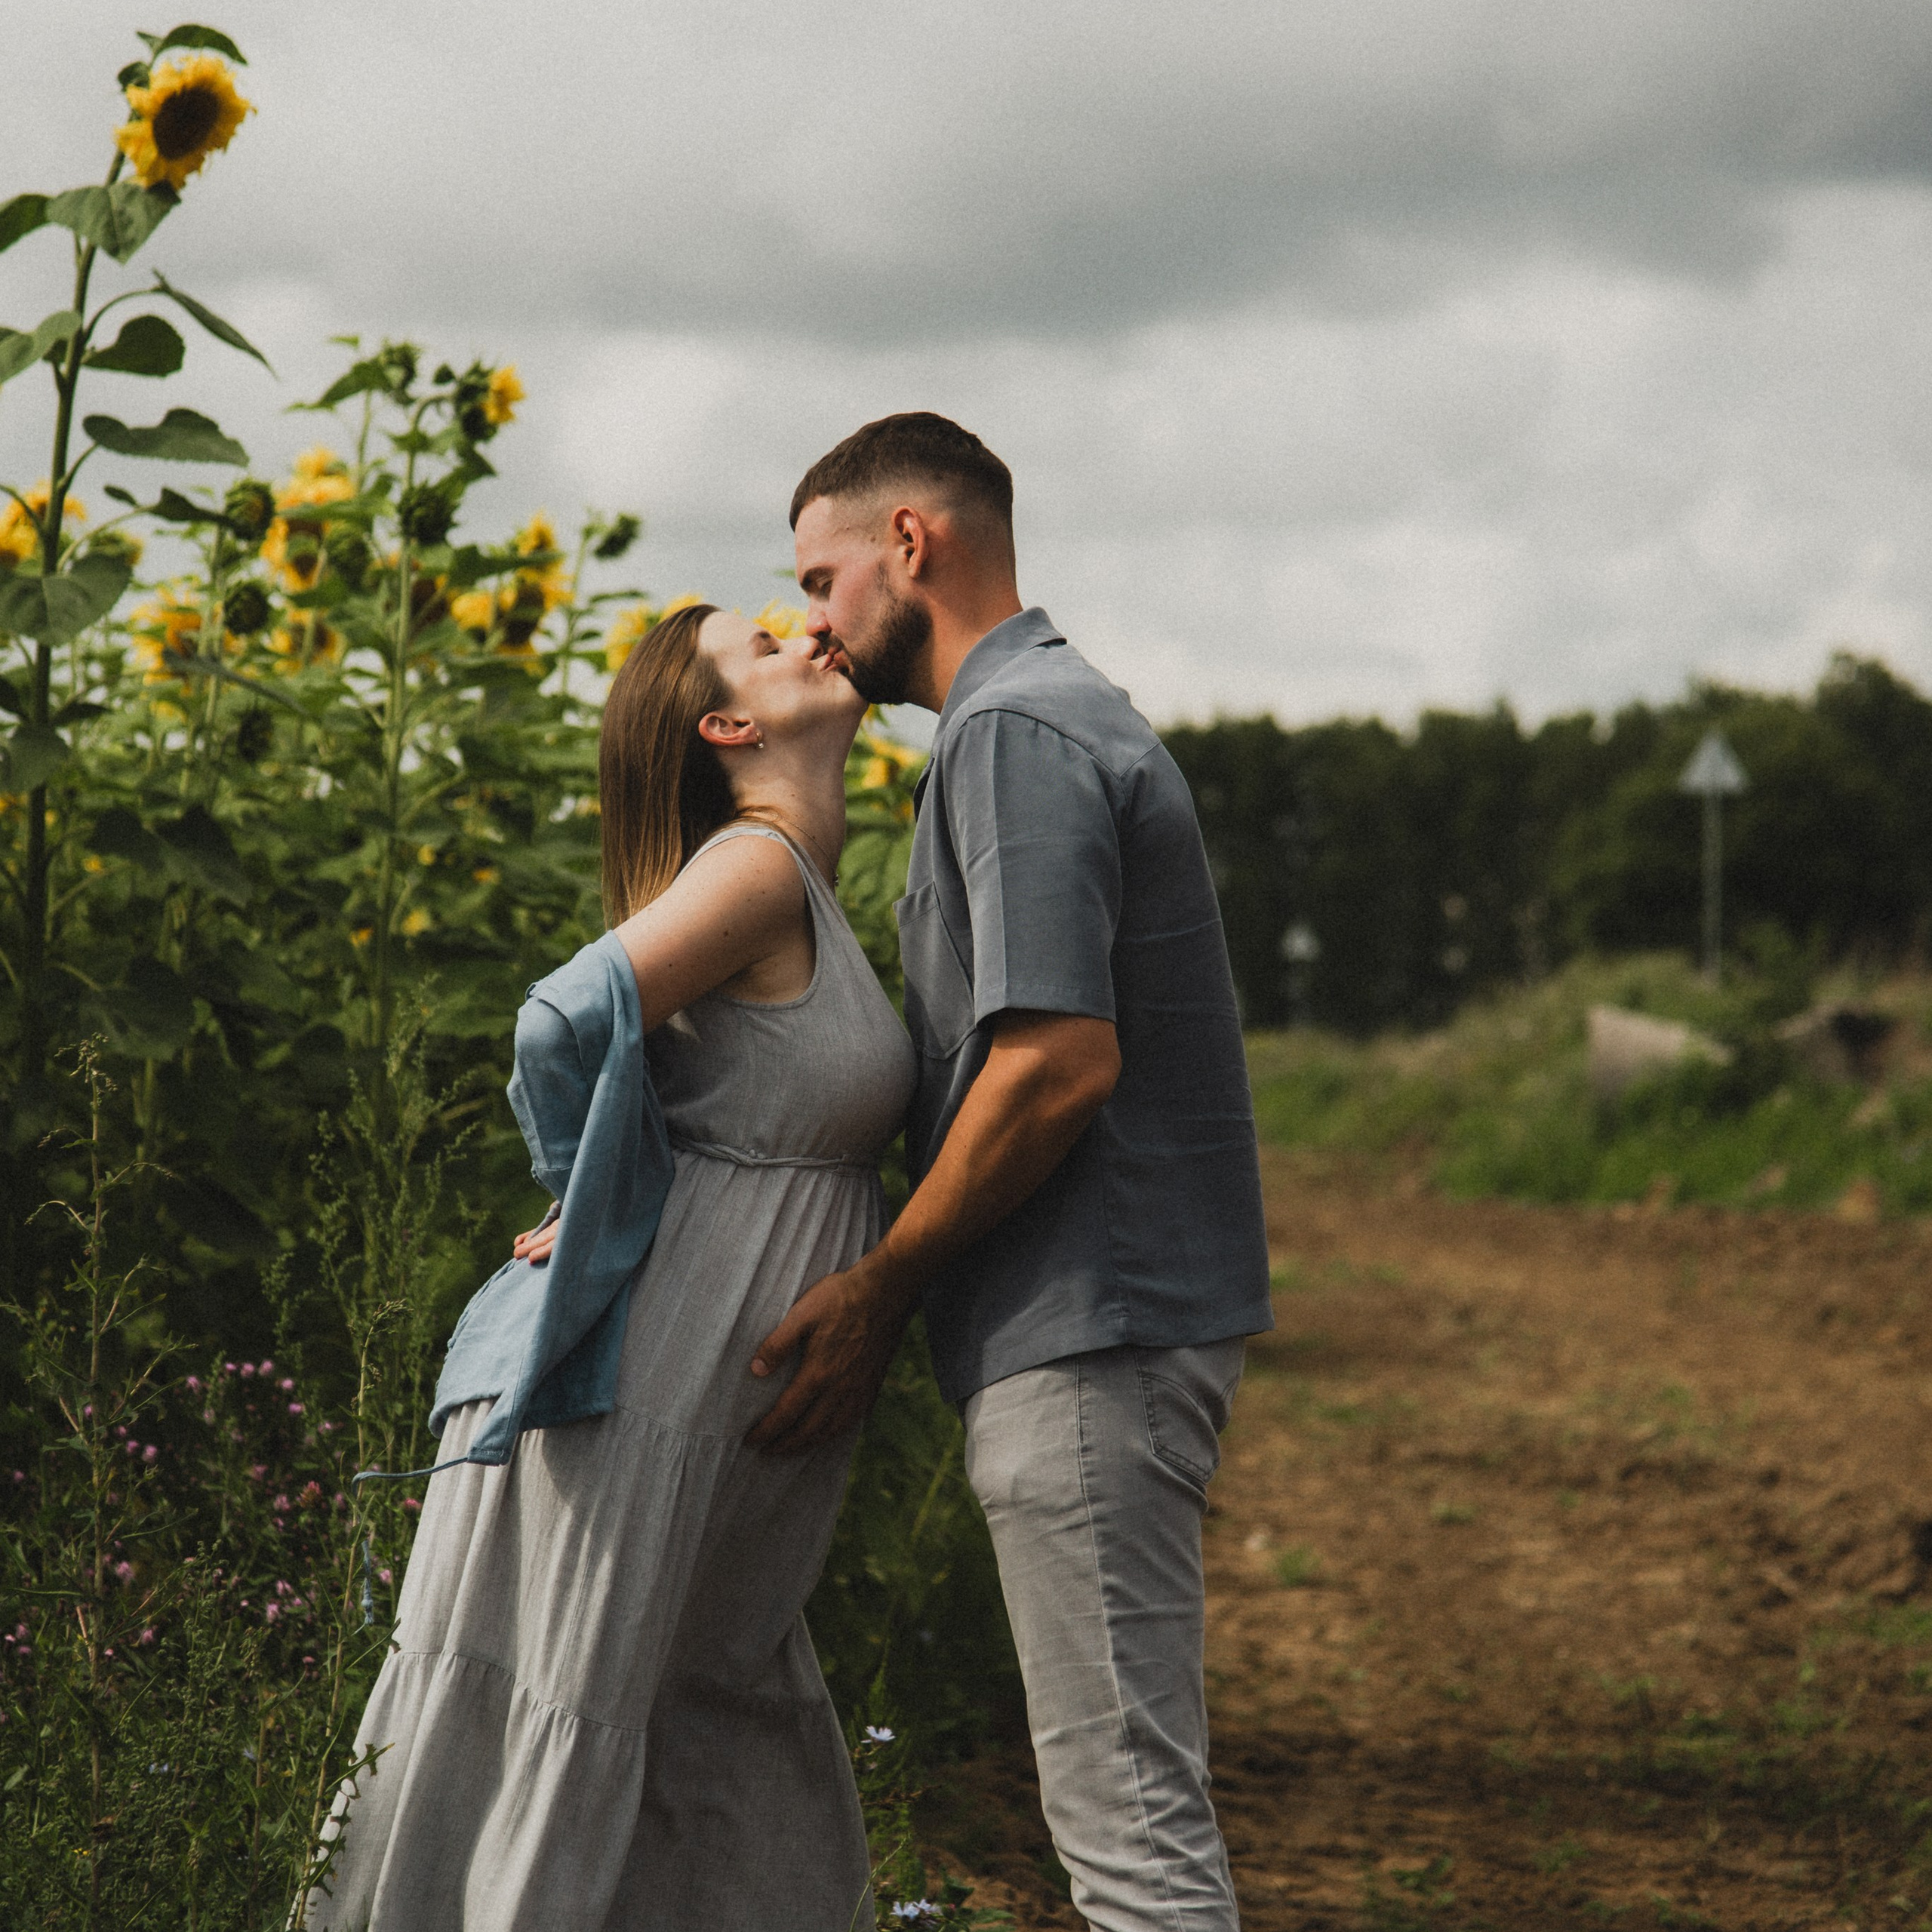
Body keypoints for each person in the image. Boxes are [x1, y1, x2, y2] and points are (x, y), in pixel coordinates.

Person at [305, 603, 915, 1931]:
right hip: (645, 1374)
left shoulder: (788, 883)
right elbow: (562, 1016)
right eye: (764, 641)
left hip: (702, 1386)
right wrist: (586, 1181)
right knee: (588, 1710)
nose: (809, 628)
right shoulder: (753, 870)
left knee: (695, 1713)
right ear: (728, 727)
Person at [749, 413, 1275, 1932]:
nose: (811, 623)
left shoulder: (1009, 731)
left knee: (1127, 1836)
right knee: (1124, 1807)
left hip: (1085, 1327)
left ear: (910, 543)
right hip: (1100, 1320)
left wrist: (877, 1286)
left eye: (821, 576)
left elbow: (1053, 1060)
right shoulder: (1045, 716)